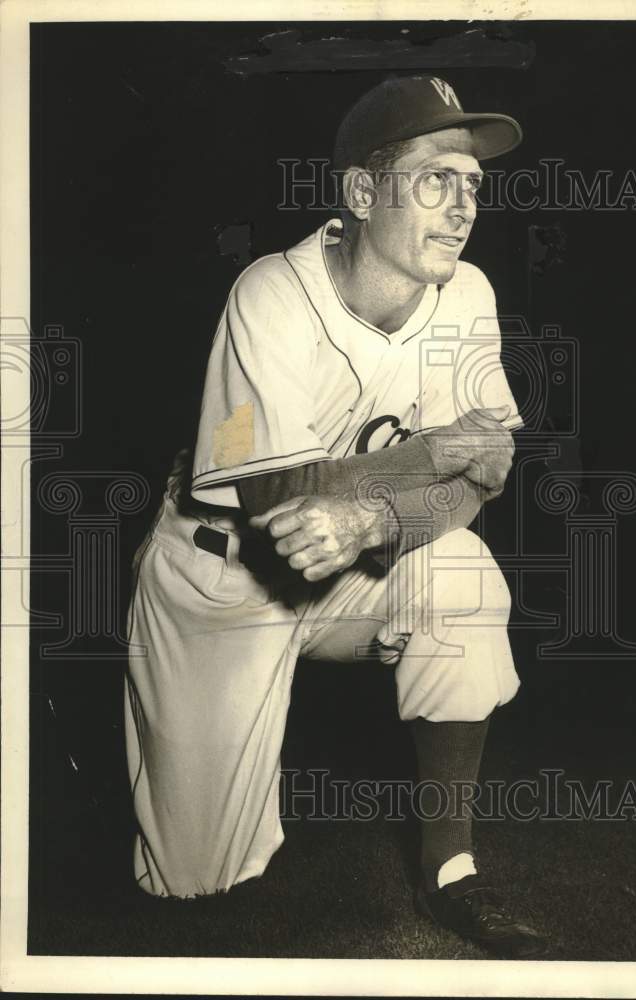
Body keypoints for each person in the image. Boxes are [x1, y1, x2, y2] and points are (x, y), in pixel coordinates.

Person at [125, 75, 546, 958]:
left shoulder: (467, 294)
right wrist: (438, 452)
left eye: (472, 184)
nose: (463, 204)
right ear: (361, 193)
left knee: (462, 574)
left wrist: (377, 525)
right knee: (192, 885)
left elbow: (492, 474)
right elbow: (275, 498)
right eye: (435, 178)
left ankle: (451, 867)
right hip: (223, 575)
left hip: (349, 575)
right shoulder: (269, 295)